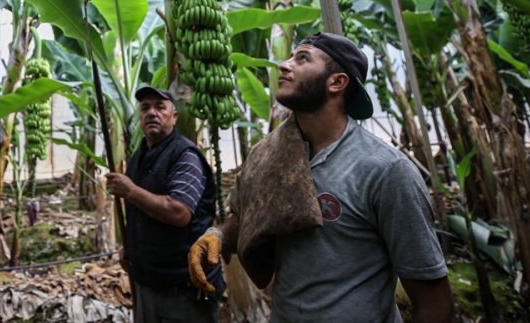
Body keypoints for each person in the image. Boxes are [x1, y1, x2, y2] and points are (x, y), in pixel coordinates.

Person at [189, 32, 454, 322]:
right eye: (290, 56)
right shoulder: (267, 155)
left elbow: (434, 303)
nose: (284, 65)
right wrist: (218, 235)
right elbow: (253, 217)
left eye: (302, 59)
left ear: (336, 82)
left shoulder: (385, 171)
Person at [106, 86, 224, 322]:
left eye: (160, 107)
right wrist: (131, 246)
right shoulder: (139, 157)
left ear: (174, 116)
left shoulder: (185, 155)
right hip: (149, 281)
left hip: (184, 288)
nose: (152, 113)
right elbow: (140, 213)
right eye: (145, 108)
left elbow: (179, 212)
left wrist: (130, 190)